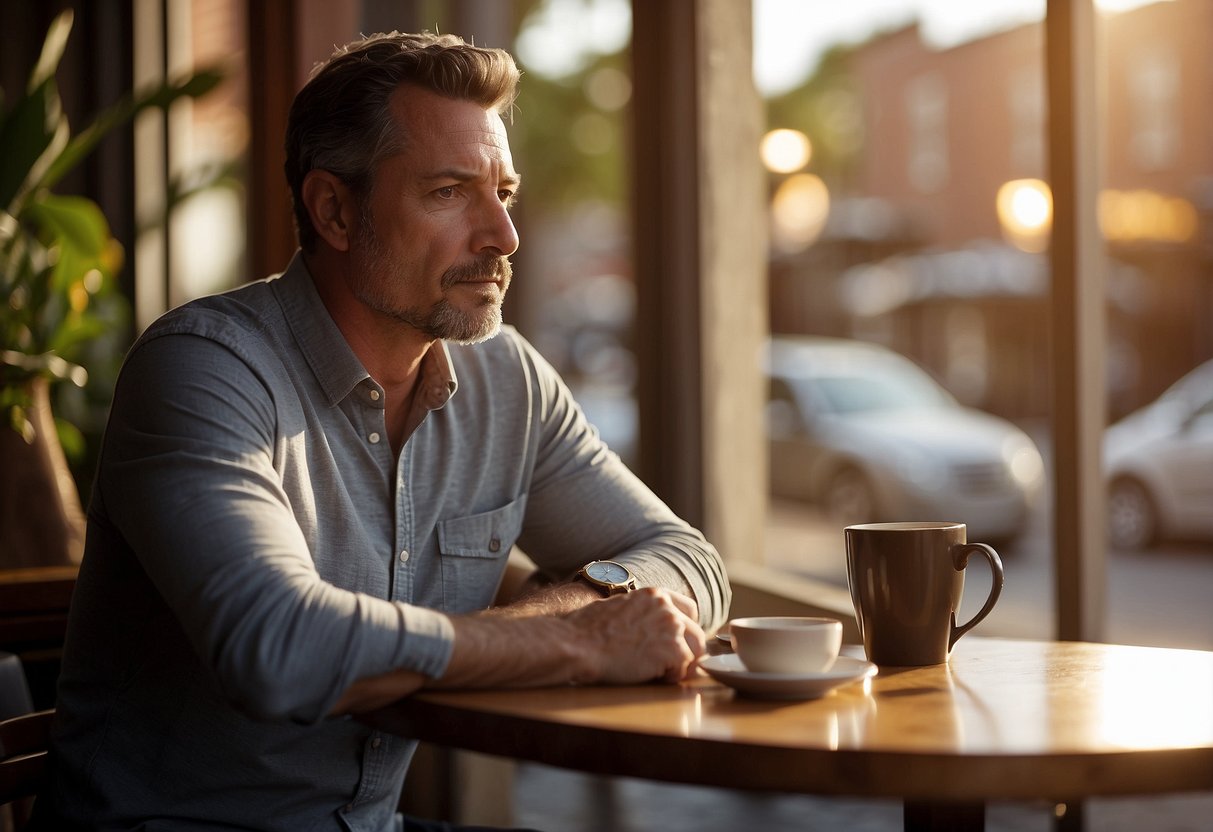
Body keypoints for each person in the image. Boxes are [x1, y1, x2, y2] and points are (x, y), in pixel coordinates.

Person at [33, 29, 730, 832]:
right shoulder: (202, 370)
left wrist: (588, 607)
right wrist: (580, 639)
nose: (501, 237)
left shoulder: (507, 379)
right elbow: (281, 649)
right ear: (333, 208)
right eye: (448, 192)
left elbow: (688, 560)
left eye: (501, 193)